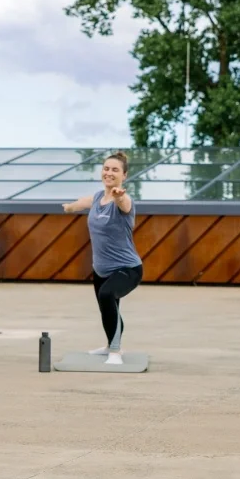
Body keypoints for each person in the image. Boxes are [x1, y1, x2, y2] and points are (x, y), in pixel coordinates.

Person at [61, 151, 142, 366]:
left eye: (115, 170)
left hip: (128, 269)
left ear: (124, 175)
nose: (109, 172)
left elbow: (124, 203)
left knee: (107, 296)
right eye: (106, 168)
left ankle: (115, 351)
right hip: (101, 269)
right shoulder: (98, 197)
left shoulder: (123, 200)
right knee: (107, 307)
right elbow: (83, 203)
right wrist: (70, 207)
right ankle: (109, 345)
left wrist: (119, 196)